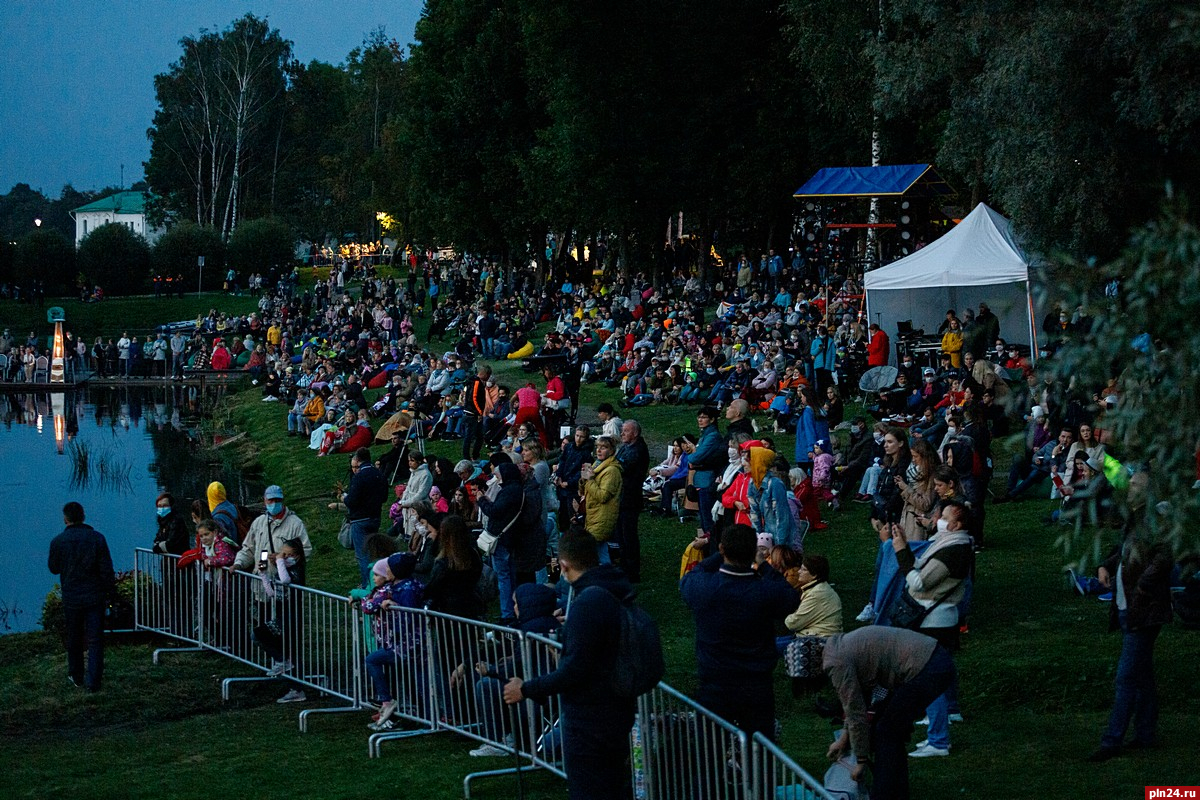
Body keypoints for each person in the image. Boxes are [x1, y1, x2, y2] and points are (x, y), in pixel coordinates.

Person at [502, 531, 642, 800]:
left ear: (564, 565)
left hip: (592, 719)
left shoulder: (588, 601)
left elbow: (573, 670)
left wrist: (526, 688)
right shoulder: (611, 589)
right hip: (616, 709)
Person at [797, 627, 956, 800]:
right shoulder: (837, 648)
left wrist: (861, 761)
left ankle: (884, 795)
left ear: (810, 668)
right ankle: (897, 794)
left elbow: (856, 713)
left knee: (886, 732)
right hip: (933, 659)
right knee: (891, 731)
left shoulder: (835, 662)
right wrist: (844, 738)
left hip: (926, 667)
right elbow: (858, 703)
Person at [680, 523, 799, 740]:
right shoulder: (764, 591)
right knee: (759, 751)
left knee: (709, 752)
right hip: (755, 685)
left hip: (714, 682)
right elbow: (790, 597)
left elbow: (690, 577)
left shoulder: (704, 587)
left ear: (722, 548)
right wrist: (763, 566)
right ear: (753, 551)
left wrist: (718, 555)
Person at [1088, 501, 1175, 762]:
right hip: (1131, 608)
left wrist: (1144, 586)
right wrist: (1105, 565)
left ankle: (1112, 739)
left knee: (1126, 677)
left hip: (1143, 611)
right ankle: (1146, 733)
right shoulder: (1135, 521)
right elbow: (1124, 553)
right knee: (1142, 674)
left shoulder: (1156, 519)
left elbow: (1163, 557)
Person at [889, 500, 973, 758]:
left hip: (934, 621)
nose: (938, 519)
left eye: (944, 516)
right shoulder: (951, 545)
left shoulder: (953, 551)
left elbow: (919, 581)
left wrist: (901, 551)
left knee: (931, 678)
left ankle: (938, 740)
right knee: (943, 668)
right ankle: (949, 712)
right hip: (943, 619)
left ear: (956, 524)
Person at [48, 502, 115, 692]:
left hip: (72, 597)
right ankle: (93, 681)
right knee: (95, 640)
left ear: (65, 519)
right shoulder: (97, 539)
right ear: (83, 516)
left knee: (74, 637)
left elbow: (53, 568)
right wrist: (111, 593)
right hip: (94, 596)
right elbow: (106, 570)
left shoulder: (58, 541)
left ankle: (76, 675)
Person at [334, 447, 389, 588]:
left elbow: (352, 501)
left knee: (362, 554)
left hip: (359, 520)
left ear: (358, 460)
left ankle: (367, 585)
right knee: (372, 551)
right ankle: (376, 580)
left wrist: (343, 497)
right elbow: (384, 497)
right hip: (375, 517)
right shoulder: (379, 474)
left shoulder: (359, 477)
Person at [613, 419, 649, 582]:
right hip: (622, 497)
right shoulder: (626, 447)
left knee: (629, 536)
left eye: (626, 431)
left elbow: (620, 467)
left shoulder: (638, 450)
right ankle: (624, 565)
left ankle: (632, 571)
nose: (622, 433)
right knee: (621, 535)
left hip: (630, 498)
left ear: (634, 433)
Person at [579, 435, 623, 564]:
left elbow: (603, 496)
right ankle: (608, 578)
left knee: (588, 552)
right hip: (594, 516)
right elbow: (584, 491)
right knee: (601, 550)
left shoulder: (611, 471)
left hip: (602, 516)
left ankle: (602, 578)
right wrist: (583, 480)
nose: (599, 450)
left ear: (611, 451)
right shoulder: (597, 464)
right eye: (597, 447)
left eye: (603, 448)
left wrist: (590, 480)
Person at [688, 406, 725, 538]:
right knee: (704, 518)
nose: (700, 420)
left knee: (708, 519)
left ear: (712, 419)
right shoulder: (705, 434)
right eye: (699, 417)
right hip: (701, 480)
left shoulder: (713, 436)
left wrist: (692, 458)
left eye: (703, 417)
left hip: (707, 480)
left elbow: (695, 457)